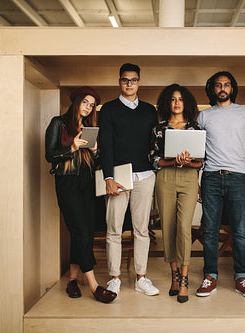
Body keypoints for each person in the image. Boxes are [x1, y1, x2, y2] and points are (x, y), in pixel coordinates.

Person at [45, 86, 116, 304]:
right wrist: (72, 148)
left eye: (92, 105)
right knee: (80, 232)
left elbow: (93, 163)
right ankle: (94, 285)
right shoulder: (58, 123)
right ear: (76, 102)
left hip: (87, 184)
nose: (88, 107)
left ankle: (72, 280)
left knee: (84, 231)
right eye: (85, 102)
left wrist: (95, 152)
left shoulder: (89, 127)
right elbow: (50, 155)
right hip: (66, 183)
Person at [195, 71, 245, 299]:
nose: (222, 88)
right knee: (210, 231)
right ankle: (210, 276)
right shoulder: (203, 117)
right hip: (211, 177)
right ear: (212, 89)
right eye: (218, 85)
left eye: (226, 85)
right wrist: (197, 181)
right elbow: (198, 152)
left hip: (238, 178)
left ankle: (241, 276)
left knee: (240, 232)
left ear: (232, 88)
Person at [99, 63, 159, 296]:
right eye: (125, 80)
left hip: (145, 176)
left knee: (141, 230)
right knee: (114, 229)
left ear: (139, 82)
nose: (130, 84)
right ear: (119, 82)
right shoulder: (108, 109)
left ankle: (141, 278)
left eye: (134, 80)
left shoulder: (149, 110)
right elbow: (106, 146)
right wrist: (108, 177)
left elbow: (155, 143)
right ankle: (114, 278)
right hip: (118, 177)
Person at [149, 84, 203, 303]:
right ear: (167, 103)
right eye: (173, 99)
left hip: (189, 179)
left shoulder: (196, 128)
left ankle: (184, 279)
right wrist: (172, 160)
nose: (177, 103)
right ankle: (174, 276)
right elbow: (152, 159)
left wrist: (189, 162)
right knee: (168, 226)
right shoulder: (158, 129)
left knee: (183, 227)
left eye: (180, 99)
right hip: (166, 178)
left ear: (186, 103)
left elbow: (201, 162)